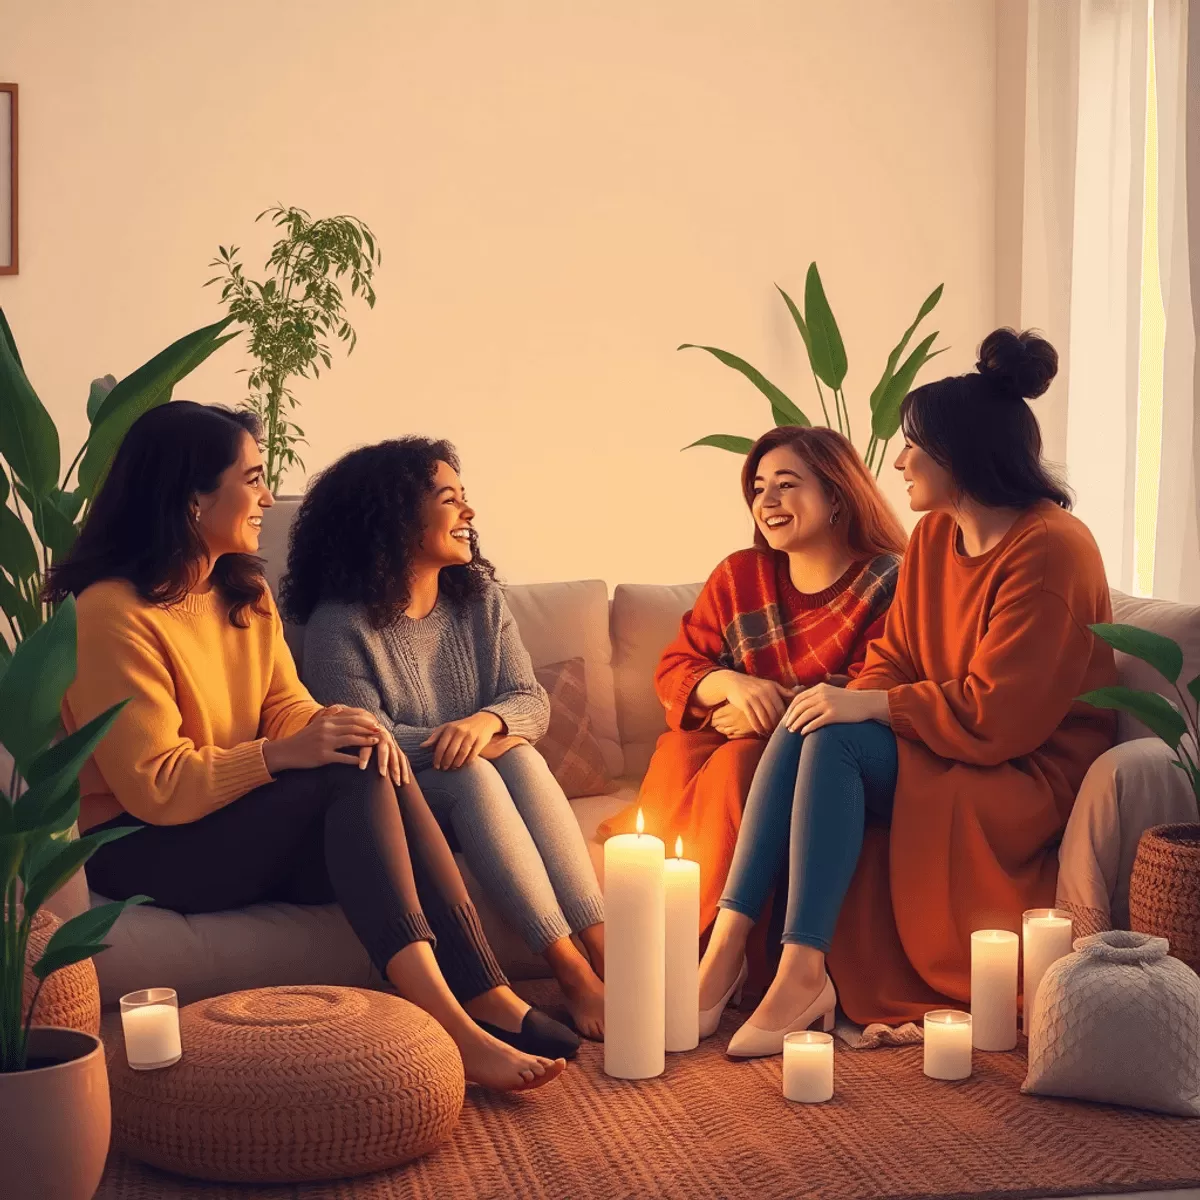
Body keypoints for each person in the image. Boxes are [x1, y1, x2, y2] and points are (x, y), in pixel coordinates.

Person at [48, 402, 571, 1091]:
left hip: (232, 827)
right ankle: (454, 1022)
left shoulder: (241, 591)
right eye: (253, 477)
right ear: (192, 499)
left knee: (369, 751)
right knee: (347, 775)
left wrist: (334, 726)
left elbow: (285, 704)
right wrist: (282, 755)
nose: (268, 496)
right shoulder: (108, 615)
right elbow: (157, 784)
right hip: (146, 847)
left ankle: (490, 994)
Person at [697, 329, 1119, 1057]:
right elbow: (894, 656)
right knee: (811, 715)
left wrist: (873, 707)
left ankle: (801, 971)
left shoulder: (1053, 546)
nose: (897, 461)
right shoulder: (931, 539)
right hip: (947, 743)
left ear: (960, 455)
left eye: (914, 446)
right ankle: (728, 947)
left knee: (835, 727)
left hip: (1020, 772)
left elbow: (1003, 715)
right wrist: (855, 696)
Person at [283, 438, 608, 1039]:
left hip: (487, 775)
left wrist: (487, 724)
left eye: (466, 498)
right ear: (395, 515)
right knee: (476, 771)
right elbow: (361, 739)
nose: (469, 514)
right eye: (450, 499)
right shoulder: (340, 624)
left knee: (523, 761)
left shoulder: (479, 598)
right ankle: (569, 972)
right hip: (404, 801)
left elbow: (528, 699)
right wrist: (454, 744)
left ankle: (605, 947)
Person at [599, 426, 905, 945]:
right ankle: (682, 946)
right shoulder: (741, 574)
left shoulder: (887, 579)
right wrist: (730, 684)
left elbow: (871, 684)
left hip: (822, 757)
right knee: (697, 758)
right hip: (719, 745)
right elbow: (677, 666)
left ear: (836, 493)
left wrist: (768, 714)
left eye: (787, 484)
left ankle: (716, 952)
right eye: (759, 488)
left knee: (744, 764)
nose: (768, 500)